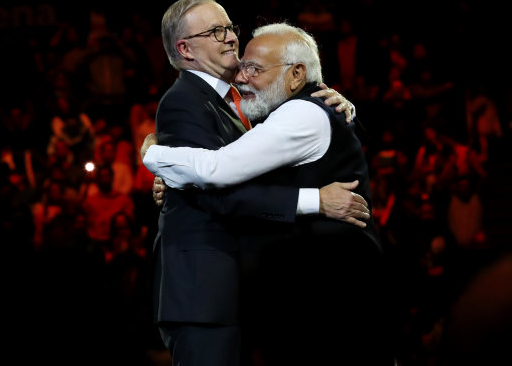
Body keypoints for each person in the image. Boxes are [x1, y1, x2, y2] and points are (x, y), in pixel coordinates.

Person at [142, 21, 396, 365]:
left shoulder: (301, 111)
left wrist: (155, 155)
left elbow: (218, 169)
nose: (241, 77)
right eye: (242, 65)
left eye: (254, 69)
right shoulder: (282, 110)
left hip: (333, 290)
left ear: (295, 75)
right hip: (313, 292)